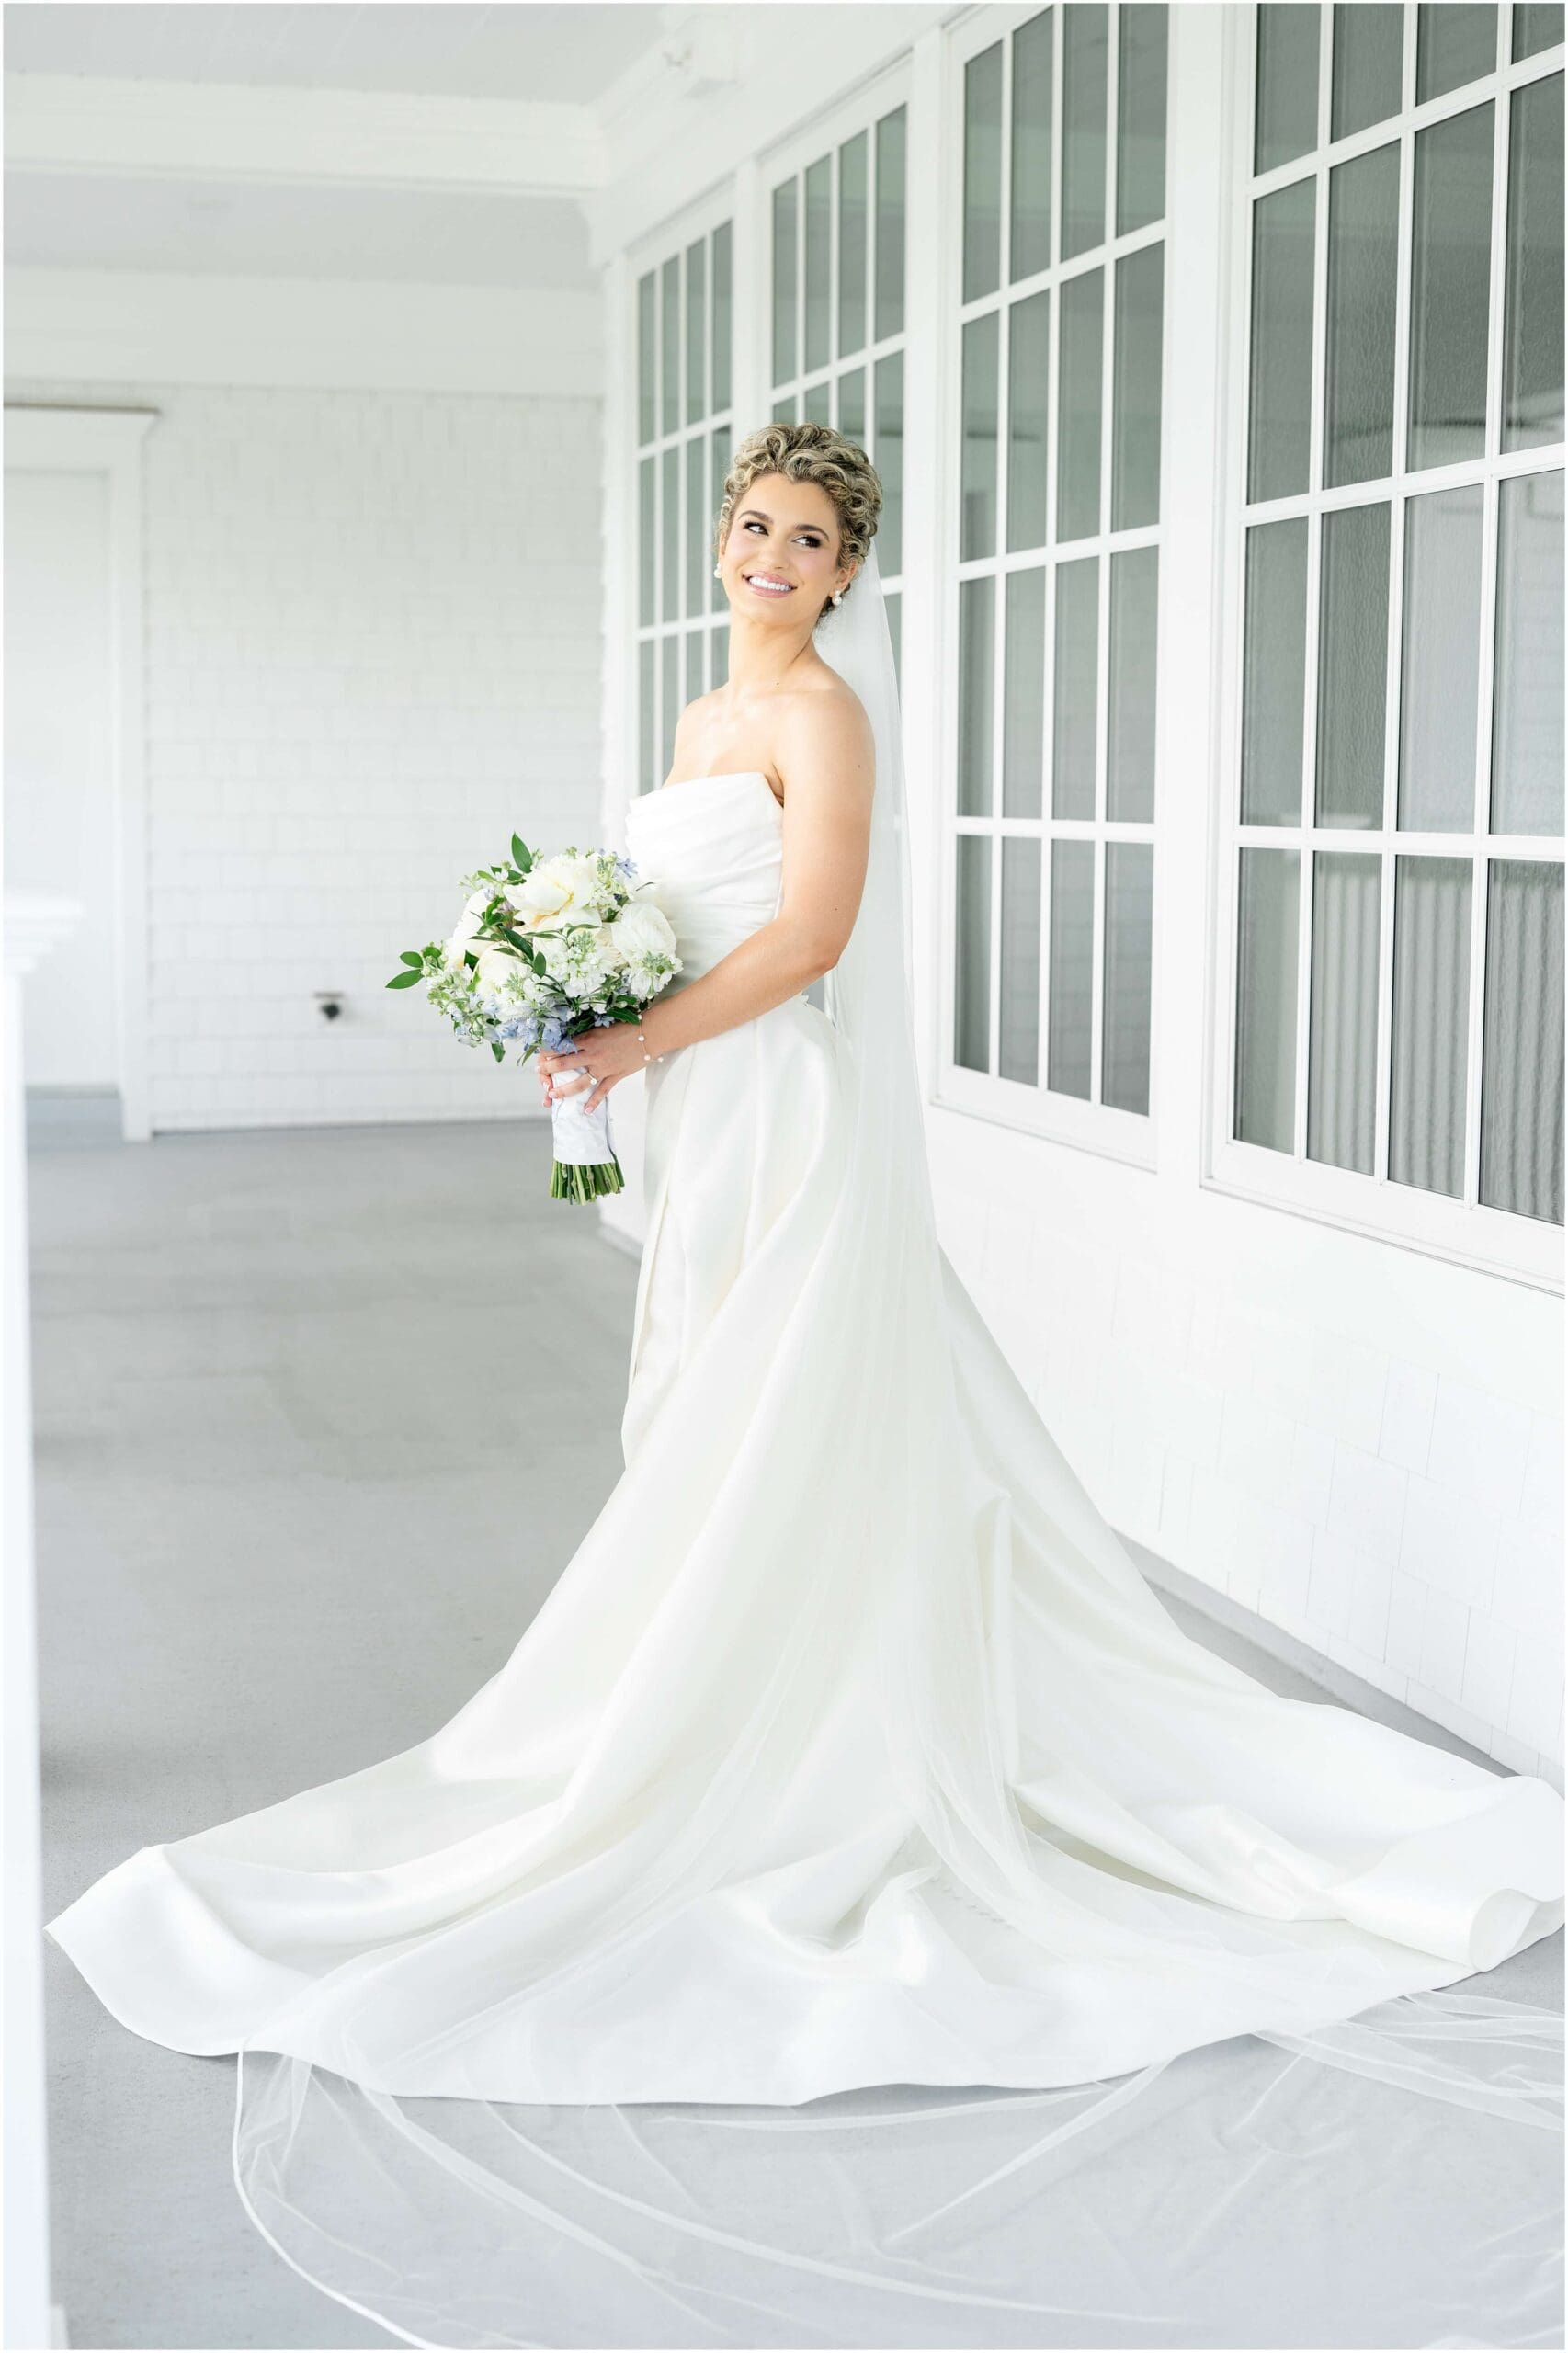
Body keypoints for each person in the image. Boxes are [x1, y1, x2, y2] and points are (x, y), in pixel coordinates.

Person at [44, 423, 1564, 2348]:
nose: (772, 555)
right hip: (697, 1109)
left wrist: (633, 1031)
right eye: (755, 525)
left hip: (782, 1114)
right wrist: (591, 1030)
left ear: (851, 570)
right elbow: (686, 914)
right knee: (708, 1416)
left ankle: (761, 1728)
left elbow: (815, 936)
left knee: (763, 1426)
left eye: (811, 537)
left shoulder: (826, 716)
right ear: (723, 536)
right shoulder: (700, 705)